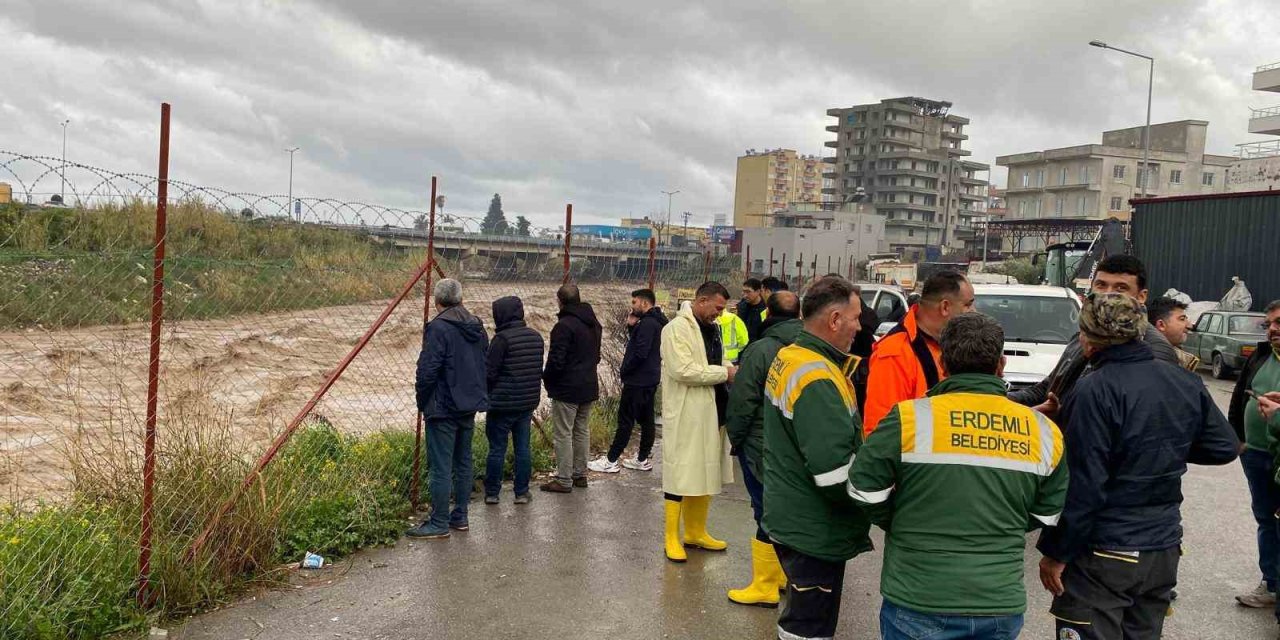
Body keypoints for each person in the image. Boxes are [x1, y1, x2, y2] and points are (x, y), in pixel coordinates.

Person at [849, 313, 1067, 639]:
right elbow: (1047, 512)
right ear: (1001, 364)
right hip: (997, 602)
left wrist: (898, 519)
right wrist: (1000, 523)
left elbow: (863, 489)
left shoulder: (908, 419)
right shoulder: (1044, 432)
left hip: (918, 596)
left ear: (943, 363)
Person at [1037, 293, 1238, 640]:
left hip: (1106, 552)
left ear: (1090, 337)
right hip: (1162, 548)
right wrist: (1160, 449)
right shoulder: (1182, 379)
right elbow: (1224, 446)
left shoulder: (1094, 389)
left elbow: (1085, 485)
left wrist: (1056, 552)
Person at [762, 276, 871, 639]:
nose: (860, 326)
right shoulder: (817, 378)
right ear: (835, 319)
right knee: (808, 626)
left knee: (802, 616)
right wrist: (881, 500)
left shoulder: (792, 356)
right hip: (813, 526)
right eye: (856, 317)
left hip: (792, 513)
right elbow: (835, 474)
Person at [1010, 255, 1179, 419]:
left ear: (1141, 297)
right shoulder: (1081, 338)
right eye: (1101, 285)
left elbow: (1138, 416)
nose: (1107, 295)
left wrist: (1063, 416)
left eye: (1121, 288)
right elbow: (1047, 389)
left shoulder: (1155, 350)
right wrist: (995, 399)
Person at [724, 289, 801, 608]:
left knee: (764, 511)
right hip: (796, 444)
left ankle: (765, 585)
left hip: (761, 443)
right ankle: (783, 576)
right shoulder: (810, 347)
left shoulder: (761, 350)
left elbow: (742, 402)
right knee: (785, 510)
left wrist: (736, 439)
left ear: (767, 315)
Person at [661, 281, 737, 563]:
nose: (720, 313)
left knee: (706, 471)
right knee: (680, 473)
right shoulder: (675, 330)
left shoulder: (713, 328)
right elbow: (683, 371)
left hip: (714, 409)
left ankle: (696, 532)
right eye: (717, 308)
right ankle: (671, 536)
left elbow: (719, 359)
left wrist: (729, 367)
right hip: (687, 413)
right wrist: (724, 373)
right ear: (702, 300)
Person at [407, 279, 490, 539]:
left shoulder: (438, 328)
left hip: (442, 405)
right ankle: (460, 516)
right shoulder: (477, 326)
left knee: (441, 466)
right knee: (463, 461)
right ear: (461, 300)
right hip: (468, 404)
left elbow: (428, 370)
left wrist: (422, 400)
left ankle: (439, 522)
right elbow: (483, 362)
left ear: (437, 301)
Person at [862, 270, 974, 434]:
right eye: (968, 304)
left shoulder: (950, 344)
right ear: (945, 307)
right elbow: (880, 431)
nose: (974, 310)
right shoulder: (895, 353)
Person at [588, 289, 667, 473]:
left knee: (625, 420)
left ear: (644, 303)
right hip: (650, 378)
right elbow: (643, 345)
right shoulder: (657, 322)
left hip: (638, 381)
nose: (631, 306)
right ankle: (641, 459)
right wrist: (632, 327)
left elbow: (640, 352)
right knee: (647, 420)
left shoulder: (647, 324)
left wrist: (625, 370)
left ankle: (611, 460)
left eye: (634, 303)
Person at [1236, 300, 1280, 608]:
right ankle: (1271, 584)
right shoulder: (1262, 355)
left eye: (1278, 323)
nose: (1273, 329)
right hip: (1254, 453)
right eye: (1270, 325)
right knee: (1265, 518)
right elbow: (1240, 396)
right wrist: (1237, 438)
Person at [540, 284, 602, 494]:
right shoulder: (593, 322)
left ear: (560, 301)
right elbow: (597, 355)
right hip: (588, 384)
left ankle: (564, 479)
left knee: (563, 434)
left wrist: (547, 379)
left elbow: (556, 361)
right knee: (581, 430)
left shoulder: (564, 326)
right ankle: (580, 474)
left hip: (567, 388)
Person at [482, 296, 544, 505]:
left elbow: (489, 373)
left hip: (501, 405)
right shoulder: (536, 337)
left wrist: (488, 396)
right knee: (523, 448)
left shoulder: (501, 340)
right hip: (526, 403)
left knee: (497, 449)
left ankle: (492, 493)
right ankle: (521, 492)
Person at [1148, 296, 1199, 371]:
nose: (1190, 326)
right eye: (1182, 319)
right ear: (1161, 325)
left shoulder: (1168, 358)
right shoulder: (1155, 363)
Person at [739, 278, 767, 342]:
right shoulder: (740, 307)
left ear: (758, 291)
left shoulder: (765, 309)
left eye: (748, 292)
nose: (745, 295)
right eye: (743, 291)